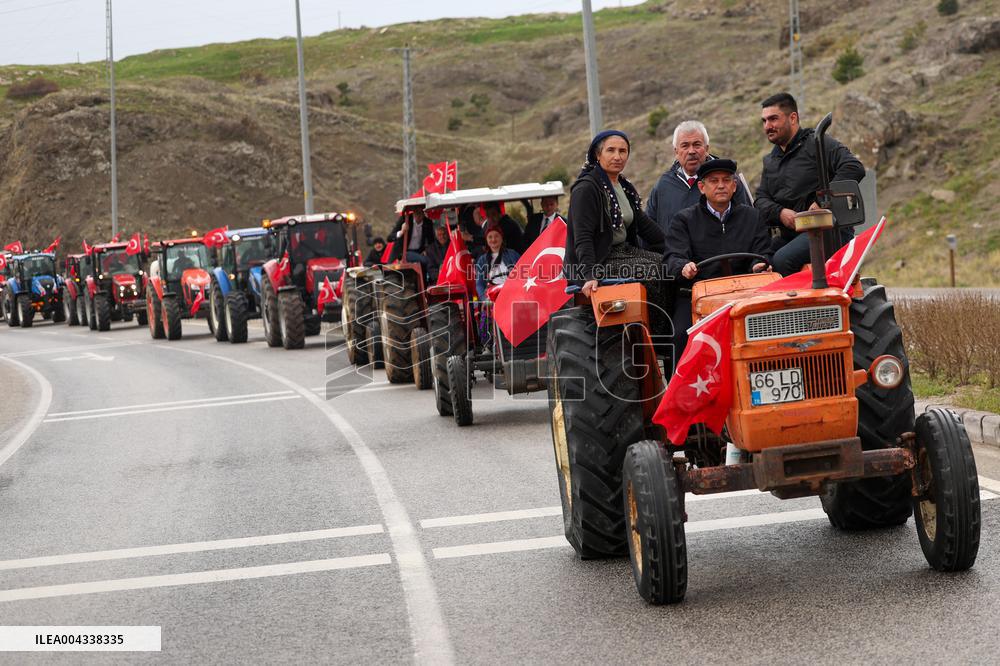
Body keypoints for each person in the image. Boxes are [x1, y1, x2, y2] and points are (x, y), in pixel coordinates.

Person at [665, 158, 773, 357]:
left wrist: (759, 264)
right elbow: (673, 256)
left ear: (734, 186)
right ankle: (681, 387)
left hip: (745, 292)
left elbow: (763, 252)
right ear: (702, 187)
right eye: (714, 181)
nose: (721, 185)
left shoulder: (753, 217)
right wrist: (684, 266)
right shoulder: (684, 220)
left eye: (726, 180)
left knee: (773, 328)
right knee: (680, 335)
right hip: (697, 295)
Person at [565, 129, 668, 328]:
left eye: (623, 151)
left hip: (621, 252)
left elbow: (643, 224)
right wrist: (589, 274)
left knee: (668, 264)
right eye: (610, 150)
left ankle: (668, 330)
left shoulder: (623, 185)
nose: (617, 156)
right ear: (597, 154)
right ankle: (654, 335)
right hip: (597, 259)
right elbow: (583, 236)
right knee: (651, 271)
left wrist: (676, 249)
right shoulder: (586, 188)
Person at [755, 92, 865, 275]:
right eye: (764, 121)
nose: (768, 126)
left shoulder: (818, 143)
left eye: (773, 119)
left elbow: (853, 167)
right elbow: (761, 199)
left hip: (827, 231)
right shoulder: (770, 160)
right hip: (791, 235)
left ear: (792, 118)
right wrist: (780, 213)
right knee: (757, 262)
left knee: (782, 261)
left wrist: (822, 200)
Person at [646, 121, 752, 236]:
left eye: (697, 144)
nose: (691, 151)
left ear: (706, 149)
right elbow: (649, 230)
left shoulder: (728, 180)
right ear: (676, 151)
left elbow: (747, 224)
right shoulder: (663, 185)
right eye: (685, 146)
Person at [475, 225, 520, 301]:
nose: (493, 239)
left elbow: (522, 276)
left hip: (513, 294)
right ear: (486, 240)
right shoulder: (482, 260)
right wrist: (485, 299)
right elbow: (480, 284)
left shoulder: (512, 254)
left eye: (496, 236)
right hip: (493, 298)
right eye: (490, 237)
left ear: (501, 238)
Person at [388, 207, 433, 276]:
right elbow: (390, 238)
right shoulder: (405, 219)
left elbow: (431, 240)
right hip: (403, 253)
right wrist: (401, 232)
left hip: (418, 253)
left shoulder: (428, 223)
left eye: (421, 213)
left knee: (428, 263)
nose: (418, 215)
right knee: (425, 261)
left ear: (424, 213)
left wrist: (426, 250)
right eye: (416, 212)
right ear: (413, 212)